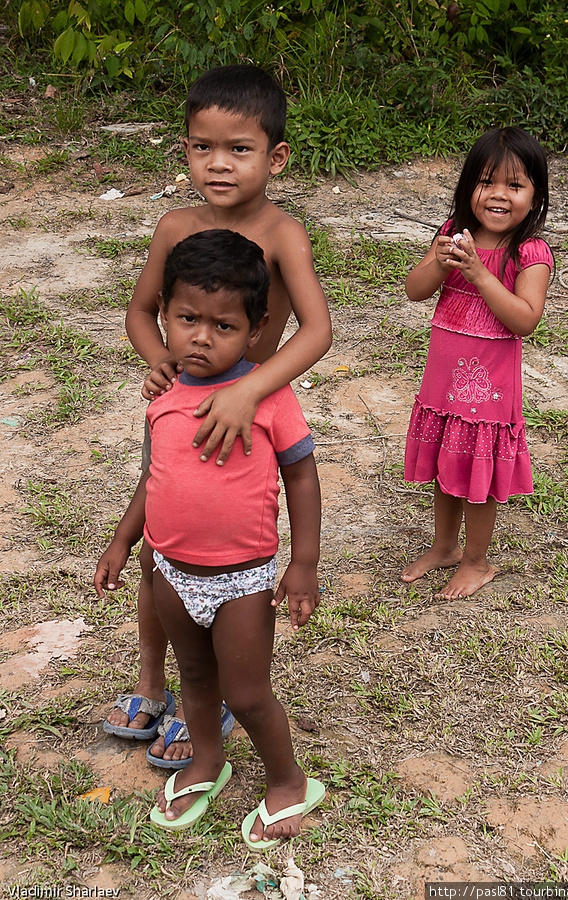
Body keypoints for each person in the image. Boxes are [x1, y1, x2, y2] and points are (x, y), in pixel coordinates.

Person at [101, 63, 332, 767]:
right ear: (186, 148)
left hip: (246, 417)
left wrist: (250, 390)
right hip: (179, 413)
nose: (219, 164)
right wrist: (158, 361)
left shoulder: (284, 233)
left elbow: (318, 331)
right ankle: (152, 681)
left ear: (275, 156)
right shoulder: (176, 226)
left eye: (239, 148)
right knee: (160, 551)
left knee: (229, 546)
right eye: (203, 147)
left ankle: (229, 692)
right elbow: (142, 312)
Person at [95, 230, 325, 845]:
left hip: (241, 579)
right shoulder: (164, 391)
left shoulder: (270, 396)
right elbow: (155, 476)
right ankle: (206, 760)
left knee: (247, 694)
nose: (200, 336)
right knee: (194, 681)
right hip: (171, 569)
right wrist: (123, 540)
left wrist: (304, 563)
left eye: (222, 326)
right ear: (164, 313)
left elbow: (302, 476)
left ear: (255, 331)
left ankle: (288, 780)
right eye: (186, 318)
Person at [401, 126, 553, 600]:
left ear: (536, 196)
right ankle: (444, 547)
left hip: (487, 389)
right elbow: (415, 289)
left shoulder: (530, 252)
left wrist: (480, 274)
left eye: (515, 184)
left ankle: (476, 561)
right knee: (448, 460)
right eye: (487, 181)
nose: (498, 195)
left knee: (478, 477)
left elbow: (524, 319)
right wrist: (440, 263)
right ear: (469, 186)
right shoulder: (452, 234)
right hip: (444, 380)